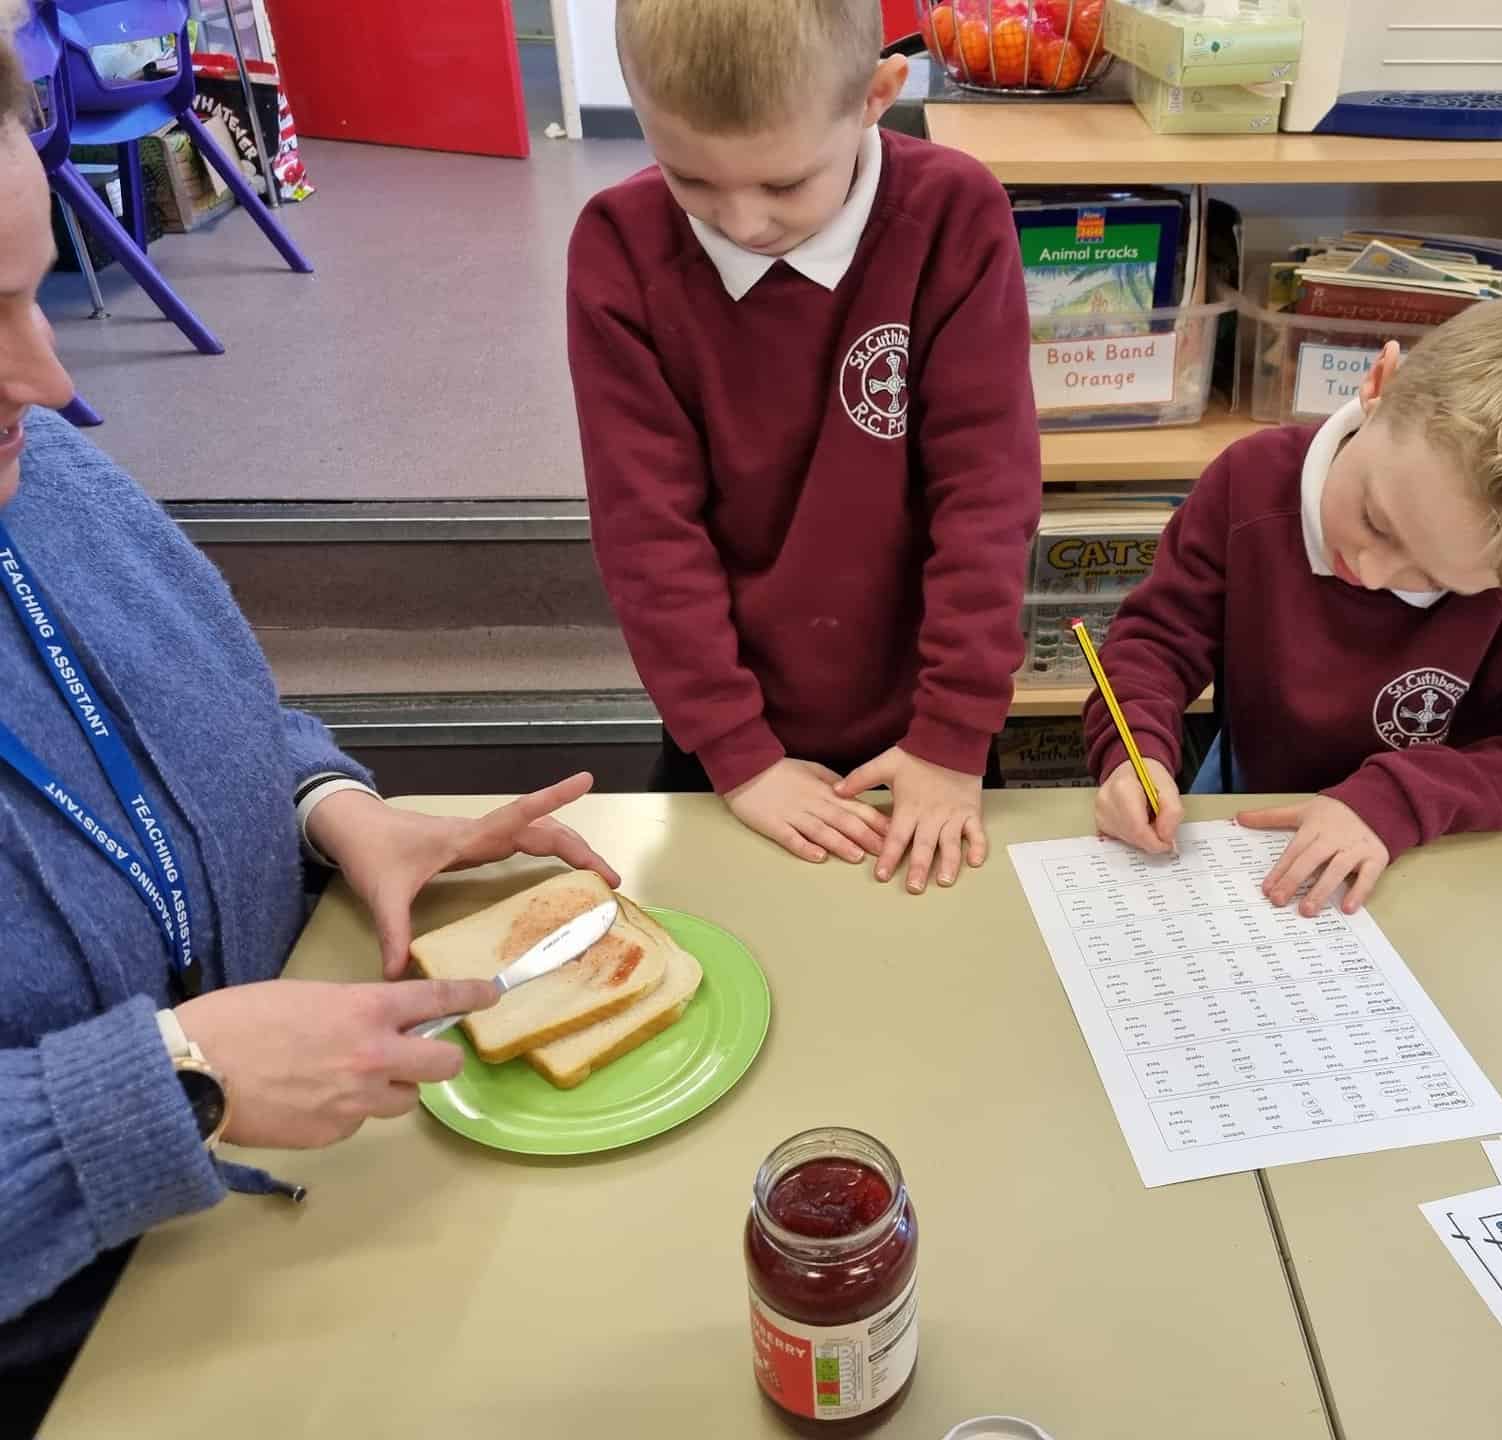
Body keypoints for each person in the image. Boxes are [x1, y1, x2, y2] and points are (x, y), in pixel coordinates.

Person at [0, 33, 620, 1433]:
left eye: (31, 292)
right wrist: (174, 1079)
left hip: (274, 1236)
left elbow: (210, 721)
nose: (48, 376)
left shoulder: (52, 479)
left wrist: (333, 809)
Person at [568, 0, 1042, 897]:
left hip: (930, 722)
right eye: (690, 178)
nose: (743, 223)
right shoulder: (618, 247)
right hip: (730, 732)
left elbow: (986, 498)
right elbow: (647, 532)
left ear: (877, 95)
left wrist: (952, 734)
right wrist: (737, 752)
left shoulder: (953, 213)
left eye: (785, 185)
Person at [1087, 295, 1502, 915]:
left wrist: (1397, 800)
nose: (1371, 573)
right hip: (1259, 809)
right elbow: (1158, 641)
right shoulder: (1250, 482)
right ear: (1380, 385)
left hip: (1443, 843)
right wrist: (1134, 750)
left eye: (1436, 579)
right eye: (1376, 521)